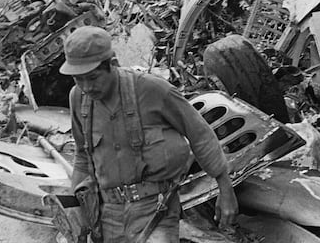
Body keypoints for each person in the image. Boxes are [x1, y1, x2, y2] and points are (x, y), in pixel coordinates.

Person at [61, 26, 238, 242]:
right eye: (78, 79)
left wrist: (225, 189)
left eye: (93, 77)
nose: (86, 87)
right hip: (107, 214)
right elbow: (82, 156)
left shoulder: (153, 90)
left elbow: (199, 134)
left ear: (113, 64)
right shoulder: (77, 98)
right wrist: (74, 208)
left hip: (156, 208)